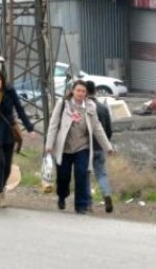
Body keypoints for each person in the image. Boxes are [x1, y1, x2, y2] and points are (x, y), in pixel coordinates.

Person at [45, 80, 115, 214]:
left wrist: (107, 146)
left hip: (82, 147)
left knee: (82, 174)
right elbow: (53, 125)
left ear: (86, 93)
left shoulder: (90, 106)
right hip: (64, 147)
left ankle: (81, 206)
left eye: (83, 91)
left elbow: (97, 127)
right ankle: (62, 196)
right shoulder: (63, 104)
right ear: (73, 91)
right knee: (63, 176)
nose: (80, 93)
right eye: (78, 90)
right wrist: (49, 145)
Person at [0, 67, 36, 207]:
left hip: (9, 131)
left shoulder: (10, 91)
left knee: (8, 166)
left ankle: (0, 188)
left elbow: (20, 110)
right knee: (0, 161)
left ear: (2, 80)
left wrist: (30, 128)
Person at [85, 80, 115, 213]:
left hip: (85, 148)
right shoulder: (103, 108)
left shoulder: (83, 107)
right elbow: (108, 130)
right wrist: (106, 144)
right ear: (95, 91)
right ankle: (107, 194)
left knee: (85, 175)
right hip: (100, 147)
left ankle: (88, 203)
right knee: (101, 174)